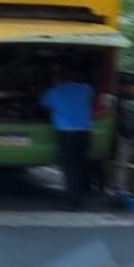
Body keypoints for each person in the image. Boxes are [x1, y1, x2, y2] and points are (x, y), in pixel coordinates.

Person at [40, 65, 94, 209]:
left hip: (66, 134)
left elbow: (43, 104)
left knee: (69, 168)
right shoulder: (84, 89)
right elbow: (92, 94)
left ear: (56, 78)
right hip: (84, 133)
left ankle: (73, 201)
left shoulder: (52, 92)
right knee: (80, 165)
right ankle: (81, 194)